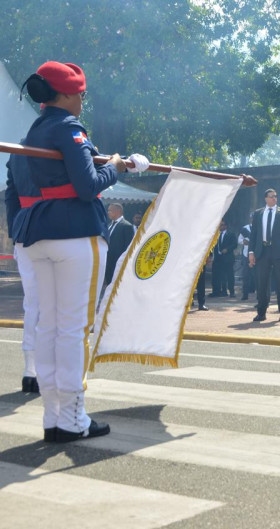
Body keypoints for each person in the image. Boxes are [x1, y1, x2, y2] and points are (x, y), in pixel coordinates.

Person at [19, 61, 148, 442]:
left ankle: (52, 416)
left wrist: (107, 160)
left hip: (39, 233)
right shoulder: (69, 127)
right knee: (74, 329)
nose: (82, 101)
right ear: (66, 94)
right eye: (80, 94)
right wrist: (118, 166)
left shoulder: (36, 129)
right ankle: (74, 418)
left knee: (50, 327)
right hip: (75, 234)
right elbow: (88, 185)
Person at [5, 142, 41, 393]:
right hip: (58, 230)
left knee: (33, 304)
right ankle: (47, 370)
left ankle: (31, 371)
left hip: (25, 232)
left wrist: (16, 230)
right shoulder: (65, 136)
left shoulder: (18, 150)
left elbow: (11, 196)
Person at [250, 189, 280, 322]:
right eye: (272, 196)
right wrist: (251, 252)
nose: (275, 198)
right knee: (262, 284)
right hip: (262, 252)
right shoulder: (258, 213)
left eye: (276, 196)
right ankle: (261, 313)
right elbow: (254, 235)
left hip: (279, 253)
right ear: (265, 198)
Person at [103, 202, 134, 292]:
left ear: (118, 211)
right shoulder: (109, 225)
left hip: (118, 261)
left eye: (110, 210)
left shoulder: (126, 226)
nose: (108, 212)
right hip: (108, 261)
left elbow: (128, 246)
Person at [210, 220, 237, 298]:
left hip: (228, 258)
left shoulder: (231, 234)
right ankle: (219, 291)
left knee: (229, 275)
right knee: (219, 275)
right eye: (220, 225)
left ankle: (231, 291)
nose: (220, 227)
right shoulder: (216, 235)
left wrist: (227, 249)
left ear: (226, 226)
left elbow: (234, 244)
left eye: (222, 225)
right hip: (218, 258)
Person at [238, 217, 255, 300]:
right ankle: (245, 295)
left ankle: (260, 296)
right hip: (246, 254)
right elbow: (239, 240)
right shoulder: (245, 228)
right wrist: (243, 242)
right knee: (246, 275)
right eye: (252, 218)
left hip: (258, 254)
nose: (253, 220)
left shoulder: (261, 227)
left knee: (258, 276)